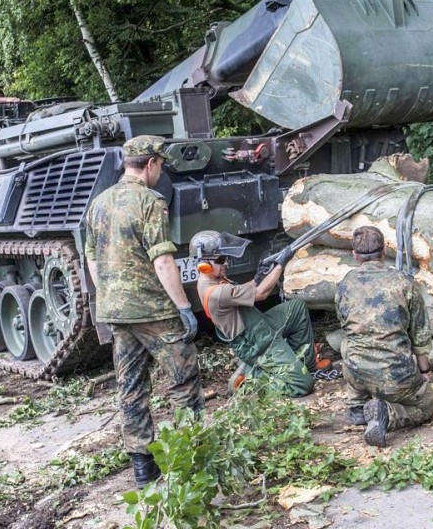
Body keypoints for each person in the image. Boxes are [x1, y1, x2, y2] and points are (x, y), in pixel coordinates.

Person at [85, 135, 204, 489]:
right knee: (184, 381)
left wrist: (108, 293)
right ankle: (190, 459)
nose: (160, 171)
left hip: (117, 312)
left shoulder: (99, 204)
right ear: (150, 164)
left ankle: (142, 467)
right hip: (154, 310)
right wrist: (185, 307)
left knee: (131, 387)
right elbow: (164, 260)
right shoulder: (151, 202)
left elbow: (91, 257)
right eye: (160, 165)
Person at [191, 231, 330, 397]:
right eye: (221, 260)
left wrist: (259, 276)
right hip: (254, 342)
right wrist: (280, 265)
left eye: (225, 258)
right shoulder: (217, 292)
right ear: (204, 264)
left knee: (296, 308)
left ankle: (307, 364)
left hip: (259, 326)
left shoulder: (214, 279)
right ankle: (251, 381)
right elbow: (261, 294)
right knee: (303, 385)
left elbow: (245, 290)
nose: (226, 263)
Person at [335, 226, 433, 448]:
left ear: (355, 256)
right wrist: (424, 372)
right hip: (395, 374)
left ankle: (357, 405)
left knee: (351, 343)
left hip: (356, 371)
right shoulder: (404, 282)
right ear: (384, 252)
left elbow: (345, 325)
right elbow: (419, 334)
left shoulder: (345, 284)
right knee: (427, 406)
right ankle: (386, 414)